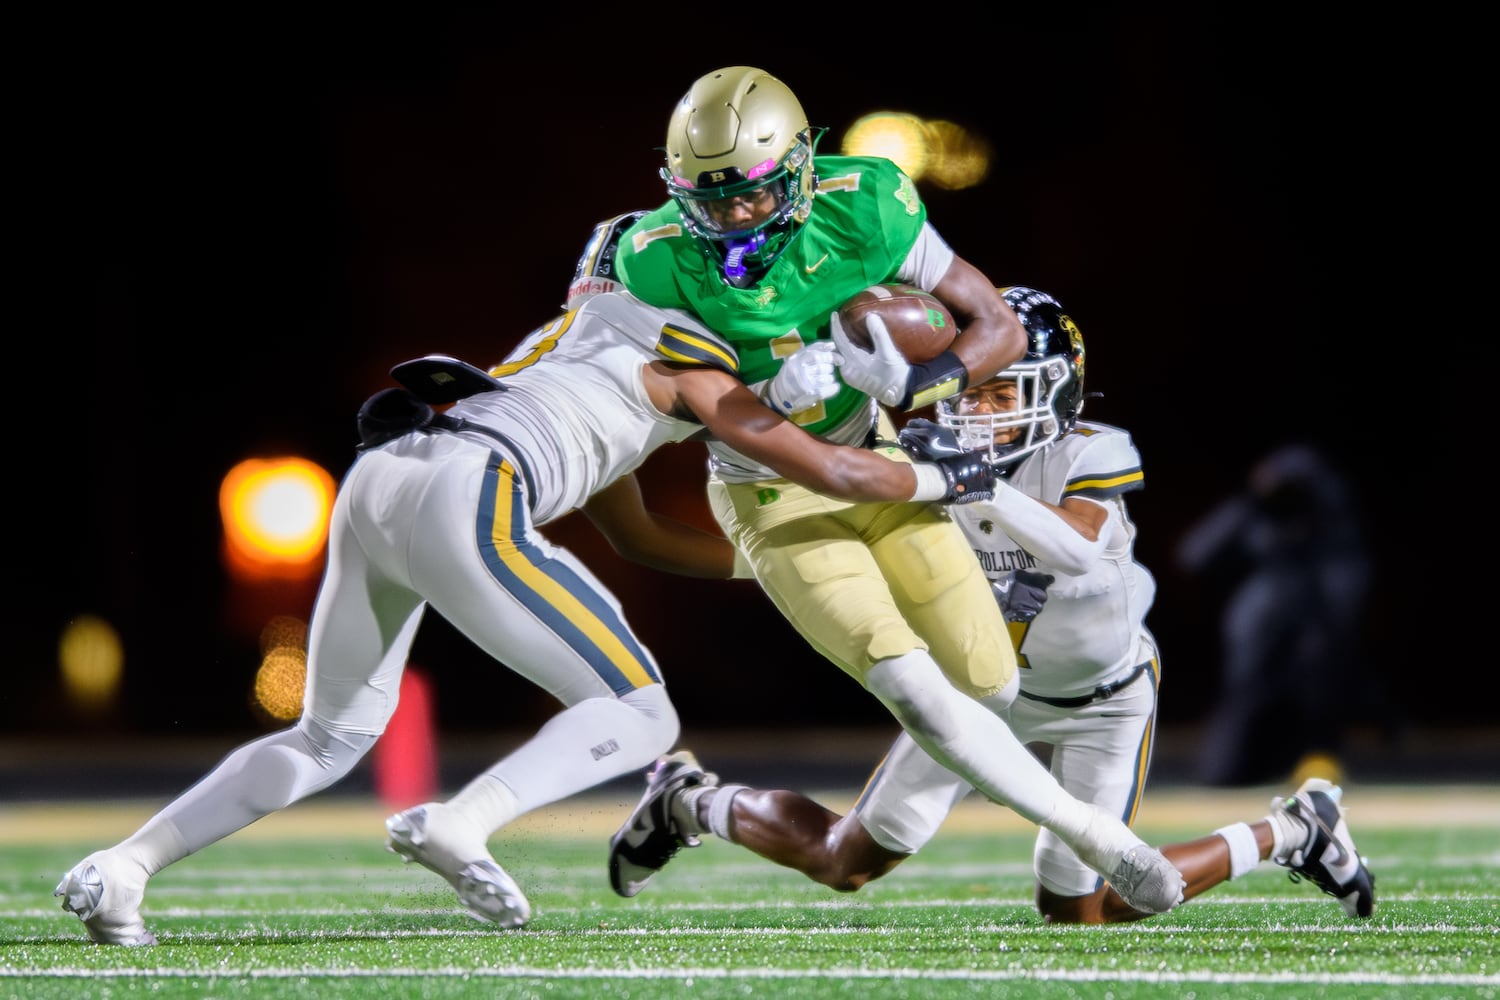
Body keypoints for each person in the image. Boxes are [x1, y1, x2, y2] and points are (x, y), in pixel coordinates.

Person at [51, 235, 1002, 946]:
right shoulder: (695, 358)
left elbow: (638, 533)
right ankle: (460, 821)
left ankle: (122, 867)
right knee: (639, 713)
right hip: (476, 489)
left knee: (330, 734)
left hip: (386, 473)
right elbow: (833, 472)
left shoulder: (576, 337)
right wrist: (936, 479)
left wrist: (770, 568)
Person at [607, 67, 1187, 917]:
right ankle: (1107, 843)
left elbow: (999, 326)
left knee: (987, 688)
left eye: (753, 195)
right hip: (773, 487)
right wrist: (768, 401)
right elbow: (687, 412)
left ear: (803, 165)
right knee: (912, 684)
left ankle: (689, 799)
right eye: (712, 200)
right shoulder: (653, 262)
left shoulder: (870, 204)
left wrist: (919, 383)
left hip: (877, 461)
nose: (733, 219)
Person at [608, 287, 1377, 922]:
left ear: (1055, 392)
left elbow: (1076, 547)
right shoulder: (918, 457)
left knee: (1081, 911)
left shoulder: (1093, 449)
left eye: (1003, 391)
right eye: (971, 391)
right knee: (844, 861)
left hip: (1100, 703)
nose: (979, 410)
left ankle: (1295, 831)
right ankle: (692, 802)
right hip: (982, 694)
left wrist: (974, 483)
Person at [1176, 442, 1374, 786]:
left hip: (1313, 627)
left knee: (1316, 687)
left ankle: (1313, 759)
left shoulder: (1330, 533)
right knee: (1247, 695)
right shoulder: (1258, 520)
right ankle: (1236, 766)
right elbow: (1195, 554)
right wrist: (1252, 504)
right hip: (1263, 621)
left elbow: (1346, 592)